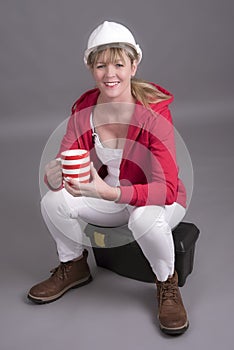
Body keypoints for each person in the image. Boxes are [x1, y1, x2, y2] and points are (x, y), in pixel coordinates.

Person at [28, 20, 189, 335]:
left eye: (118, 63)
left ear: (134, 65)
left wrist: (110, 193)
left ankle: (167, 283)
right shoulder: (85, 110)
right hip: (109, 196)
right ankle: (73, 265)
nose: (110, 73)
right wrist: (54, 175)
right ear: (90, 68)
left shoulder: (154, 112)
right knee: (53, 202)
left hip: (153, 200)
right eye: (101, 65)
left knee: (143, 220)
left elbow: (166, 189)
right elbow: (68, 165)